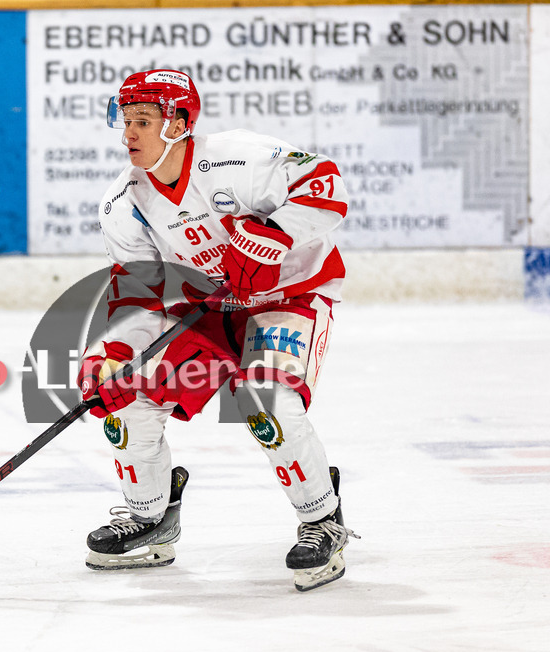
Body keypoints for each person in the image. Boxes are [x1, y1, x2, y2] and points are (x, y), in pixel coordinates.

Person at [76, 69, 358, 591]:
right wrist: (112, 352)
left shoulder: (239, 158)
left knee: (265, 398)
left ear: (180, 122)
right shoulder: (124, 203)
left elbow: (327, 186)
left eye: (142, 121)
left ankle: (322, 518)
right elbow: (138, 292)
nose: (128, 135)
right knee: (127, 398)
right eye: (125, 121)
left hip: (290, 295)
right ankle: (149, 519)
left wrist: (271, 235)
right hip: (210, 311)